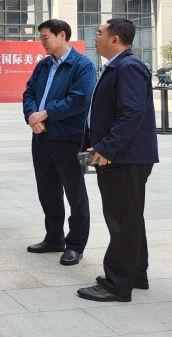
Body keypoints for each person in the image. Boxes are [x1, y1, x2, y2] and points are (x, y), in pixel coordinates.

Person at [77, 19, 159, 303]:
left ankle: (116, 285)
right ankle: (135, 275)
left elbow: (131, 113)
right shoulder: (118, 66)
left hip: (123, 157)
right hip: (121, 155)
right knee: (130, 217)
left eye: (99, 33)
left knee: (122, 220)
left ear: (114, 39)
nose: (95, 37)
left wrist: (106, 148)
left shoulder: (128, 66)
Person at [22, 19, 96, 266]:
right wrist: (32, 117)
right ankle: (54, 238)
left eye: (45, 37)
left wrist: (47, 114)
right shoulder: (43, 65)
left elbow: (80, 99)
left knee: (75, 193)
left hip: (68, 138)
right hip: (41, 136)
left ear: (62, 35)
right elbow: (29, 93)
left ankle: (75, 245)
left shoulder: (82, 65)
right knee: (48, 191)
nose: (41, 42)